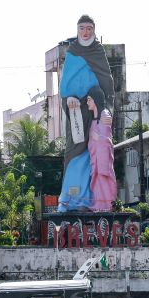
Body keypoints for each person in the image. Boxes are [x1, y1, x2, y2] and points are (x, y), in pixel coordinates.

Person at [58, 15, 116, 212]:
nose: (85, 32)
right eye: (82, 28)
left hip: (95, 109)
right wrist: (69, 99)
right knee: (75, 151)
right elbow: (65, 86)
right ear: (77, 30)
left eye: (89, 28)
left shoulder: (98, 52)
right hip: (76, 110)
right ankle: (71, 199)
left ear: (94, 30)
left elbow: (107, 83)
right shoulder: (72, 52)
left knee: (96, 152)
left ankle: (95, 200)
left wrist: (105, 107)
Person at [85, 86, 116, 212]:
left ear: (96, 100)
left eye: (89, 100)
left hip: (102, 159)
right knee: (97, 183)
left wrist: (97, 138)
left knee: (104, 182)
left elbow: (107, 140)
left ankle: (107, 205)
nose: (87, 102)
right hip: (95, 159)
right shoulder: (93, 120)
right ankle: (98, 204)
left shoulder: (105, 115)